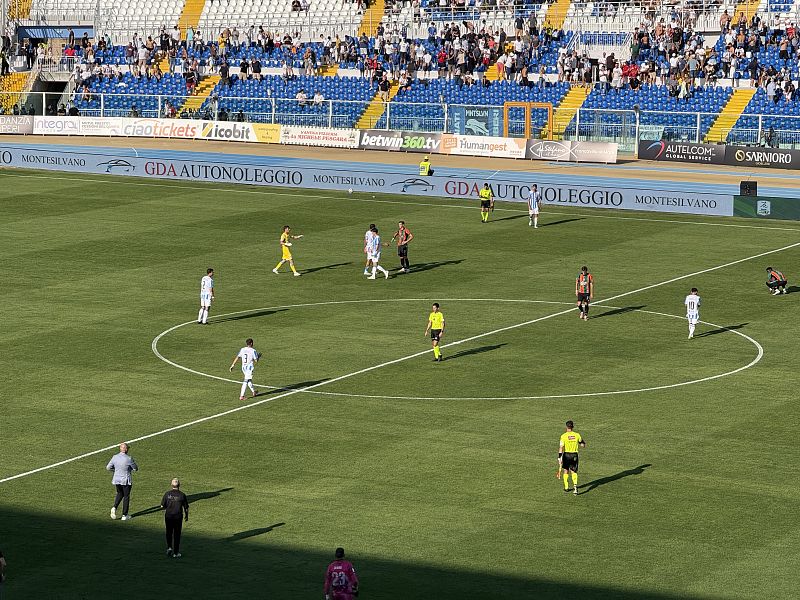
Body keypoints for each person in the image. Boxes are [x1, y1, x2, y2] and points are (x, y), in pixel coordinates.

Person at [106, 442, 138, 521]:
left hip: (116, 479)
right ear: (126, 449)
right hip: (125, 480)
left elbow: (108, 467)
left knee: (119, 493)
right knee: (126, 496)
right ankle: (124, 514)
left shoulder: (114, 457)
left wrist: (115, 470)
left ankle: (114, 507)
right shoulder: (129, 458)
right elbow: (135, 468)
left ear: (120, 449)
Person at [161, 478, 189, 558]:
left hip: (168, 516)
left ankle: (169, 547)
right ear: (179, 485)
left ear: (171, 485)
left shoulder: (167, 494)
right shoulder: (182, 495)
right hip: (178, 517)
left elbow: (162, 505)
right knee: (177, 534)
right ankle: (176, 552)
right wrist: (187, 515)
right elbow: (186, 507)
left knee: (169, 532)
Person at [558, 420, 586, 495]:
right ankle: (575, 487)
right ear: (572, 427)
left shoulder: (563, 436)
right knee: (573, 471)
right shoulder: (577, 435)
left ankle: (566, 487)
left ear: (566, 427)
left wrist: (559, 458)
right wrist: (581, 443)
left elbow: (561, 447)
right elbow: (583, 445)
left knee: (566, 470)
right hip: (574, 455)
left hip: (566, 455)